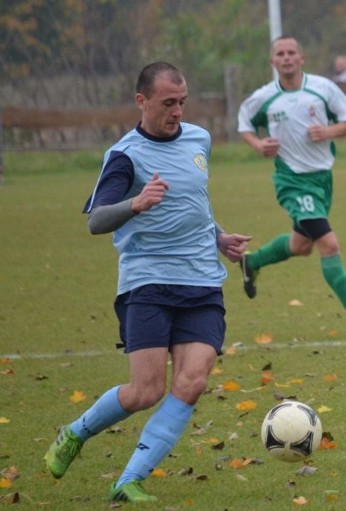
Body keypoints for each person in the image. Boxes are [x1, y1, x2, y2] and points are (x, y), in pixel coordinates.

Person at [43, 62, 251, 503]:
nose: (177, 111)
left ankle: (129, 479)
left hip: (201, 283)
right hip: (149, 283)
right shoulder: (125, 155)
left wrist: (219, 237)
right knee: (146, 390)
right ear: (142, 102)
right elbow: (97, 220)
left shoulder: (200, 140)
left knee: (192, 380)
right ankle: (76, 433)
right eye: (167, 103)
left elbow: (196, 203)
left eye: (182, 102)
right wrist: (135, 203)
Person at [238, 35, 346, 334]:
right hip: (291, 181)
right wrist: (257, 144)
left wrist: (328, 131)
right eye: (281, 53)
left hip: (322, 180)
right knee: (328, 244)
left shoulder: (323, 89)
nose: (287, 57)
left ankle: (251, 262)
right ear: (273, 61)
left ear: (301, 58)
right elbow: (245, 124)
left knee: (300, 245)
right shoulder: (264, 97)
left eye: (292, 52)